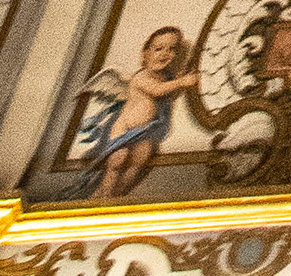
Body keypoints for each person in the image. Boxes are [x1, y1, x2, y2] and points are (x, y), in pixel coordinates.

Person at [65, 26, 194, 200]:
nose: (165, 53)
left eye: (172, 49)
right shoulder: (141, 77)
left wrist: (184, 75)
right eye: (158, 49)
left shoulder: (167, 77)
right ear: (145, 54)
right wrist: (182, 82)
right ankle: (104, 193)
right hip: (123, 131)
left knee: (142, 157)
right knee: (118, 159)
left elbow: (169, 90)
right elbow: (156, 90)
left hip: (145, 131)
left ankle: (118, 193)